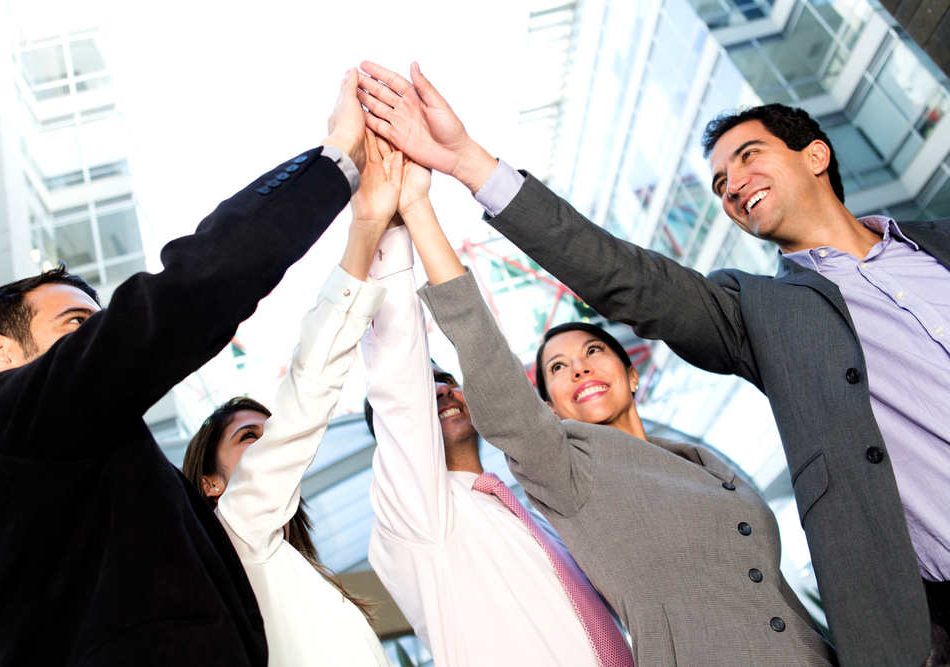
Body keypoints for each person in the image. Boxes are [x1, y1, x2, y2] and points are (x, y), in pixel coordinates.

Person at [355, 62, 950, 666]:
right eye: (719, 182)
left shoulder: (710, 465)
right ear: (546, 399)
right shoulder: (756, 318)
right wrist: (462, 169)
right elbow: (617, 277)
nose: (732, 184)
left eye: (747, 157)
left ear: (816, 155)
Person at [0, 68, 366, 667]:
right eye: (75, 326)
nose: (98, 338)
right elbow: (188, 293)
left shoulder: (72, 482)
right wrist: (334, 164)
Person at [386, 149, 836, 665]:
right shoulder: (565, 469)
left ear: (631, 375)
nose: (578, 368)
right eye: (557, 369)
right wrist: (419, 209)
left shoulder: (700, 463)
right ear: (548, 407)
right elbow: (487, 359)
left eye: (593, 352)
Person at [362, 152, 633, 666]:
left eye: (447, 381)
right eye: (428, 388)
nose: (442, 392)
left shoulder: (530, 507)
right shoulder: (415, 517)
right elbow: (397, 383)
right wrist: (394, 225)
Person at [181, 127, 401, 667]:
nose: (271, 437)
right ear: (209, 484)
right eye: (249, 436)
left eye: (268, 428)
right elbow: (310, 385)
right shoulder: (234, 535)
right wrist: (367, 230)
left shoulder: (291, 567)